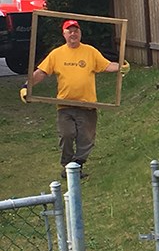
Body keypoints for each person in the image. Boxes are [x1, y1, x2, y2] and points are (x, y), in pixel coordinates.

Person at [19, 19, 129, 179]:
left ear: (80, 33)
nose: (73, 33)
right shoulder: (57, 54)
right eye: (69, 31)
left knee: (87, 139)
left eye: (76, 30)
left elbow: (105, 65)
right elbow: (41, 72)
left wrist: (121, 67)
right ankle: (67, 165)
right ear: (64, 34)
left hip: (87, 105)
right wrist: (26, 86)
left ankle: (76, 166)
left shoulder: (90, 51)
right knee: (67, 134)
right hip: (65, 105)